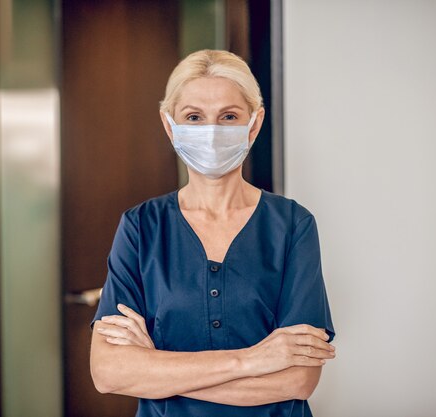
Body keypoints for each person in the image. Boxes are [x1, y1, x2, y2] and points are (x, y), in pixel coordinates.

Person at [90, 49, 336, 417]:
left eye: (229, 116)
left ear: (254, 124)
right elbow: (109, 373)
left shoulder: (292, 225)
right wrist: (253, 360)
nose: (211, 131)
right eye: (193, 117)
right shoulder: (141, 227)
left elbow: (297, 380)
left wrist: (156, 366)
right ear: (169, 125)